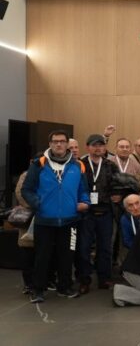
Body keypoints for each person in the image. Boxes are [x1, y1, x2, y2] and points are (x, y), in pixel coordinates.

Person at [22, 130, 90, 303]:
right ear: (50, 144)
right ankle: (38, 289)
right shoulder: (38, 164)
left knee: (67, 256)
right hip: (44, 220)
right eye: (55, 141)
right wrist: (38, 203)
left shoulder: (77, 166)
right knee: (42, 256)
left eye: (62, 141)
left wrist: (85, 202)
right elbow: (26, 189)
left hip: (70, 220)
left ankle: (65, 287)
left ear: (67, 144)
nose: (58, 144)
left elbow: (83, 190)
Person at [78, 133, 121, 294]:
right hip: (86, 213)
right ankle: (84, 280)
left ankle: (104, 278)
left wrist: (118, 195)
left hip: (106, 212)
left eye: (101, 145)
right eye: (94, 145)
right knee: (84, 248)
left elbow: (118, 184)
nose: (98, 148)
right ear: (88, 147)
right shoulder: (80, 165)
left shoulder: (111, 165)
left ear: (105, 148)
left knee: (105, 248)